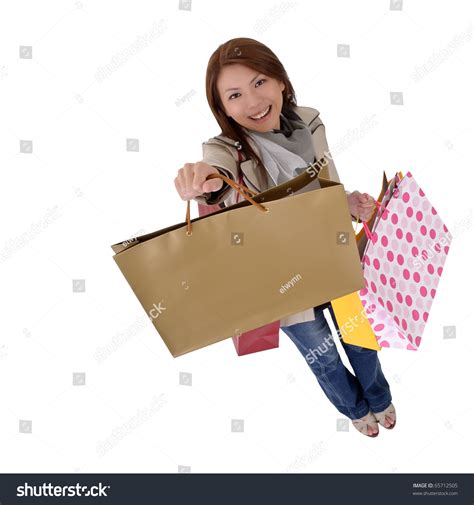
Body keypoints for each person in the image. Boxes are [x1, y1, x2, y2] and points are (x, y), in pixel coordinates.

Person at [174, 37, 396, 438]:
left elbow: (321, 184)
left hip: (333, 254)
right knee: (324, 356)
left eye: (260, 83)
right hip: (282, 279)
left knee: (362, 339)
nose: (253, 102)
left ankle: (379, 398)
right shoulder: (225, 148)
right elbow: (214, 177)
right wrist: (202, 180)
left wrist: (347, 202)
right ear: (222, 107)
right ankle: (356, 409)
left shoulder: (309, 120)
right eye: (235, 95)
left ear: (280, 81)